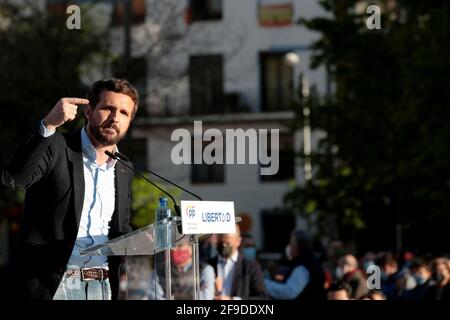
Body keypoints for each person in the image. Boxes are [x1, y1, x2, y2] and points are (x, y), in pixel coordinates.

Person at [1, 78, 139, 300]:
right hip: (49, 285)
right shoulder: (56, 146)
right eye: (108, 108)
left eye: (124, 113)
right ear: (89, 111)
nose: (115, 118)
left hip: (100, 286)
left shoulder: (124, 167)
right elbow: (15, 178)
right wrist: (48, 125)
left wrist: (149, 240)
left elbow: (120, 228)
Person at [208, 224, 267, 300]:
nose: (224, 246)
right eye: (221, 243)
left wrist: (232, 300)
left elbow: (261, 297)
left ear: (238, 241)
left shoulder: (251, 267)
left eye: (228, 243)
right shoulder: (208, 266)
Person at [265, 229, 327, 300]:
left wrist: (263, 284)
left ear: (298, 247)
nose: (289, 247)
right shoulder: (306, 262)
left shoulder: (304, 266)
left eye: (291, 244)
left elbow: (289, 292)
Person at [149, 242, 215, 300]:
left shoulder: (204, 270)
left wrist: (174, 297)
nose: (174, 249)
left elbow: (205, 297)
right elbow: (156, 297)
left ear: (190, 248)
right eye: (172, 246)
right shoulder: (158, 272)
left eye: (180, 245)